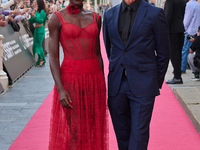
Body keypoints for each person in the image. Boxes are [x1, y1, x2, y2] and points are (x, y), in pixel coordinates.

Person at [103, 0, 170, 149]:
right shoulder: (109, 14)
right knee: (122, 135)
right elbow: (110, 49)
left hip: (144, 84)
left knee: (139, 135)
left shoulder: (155, 13)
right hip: (117, 84)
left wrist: (153, 81)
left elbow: (164, 53)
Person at [48, 0, 108, 149]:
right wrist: (60, 89)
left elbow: (98, 53)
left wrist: (102, 82)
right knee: (76, 130)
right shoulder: (56, 18)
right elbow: (53, 57)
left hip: (95, 79)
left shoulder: (95, 17)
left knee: (92, 128)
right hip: (71, 80)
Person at [164, 0, 186, 84]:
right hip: (180, 28)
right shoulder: (182, 1)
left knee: (174, 54)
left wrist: (164, 29)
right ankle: (178, 75)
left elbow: (168, 16)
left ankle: (177, 77)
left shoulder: (170, 1)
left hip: (172, 30)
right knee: (178, 53)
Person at [181, 0, 200, 73]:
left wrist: (184, 29)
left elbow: (187, 19)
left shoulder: (189, 4)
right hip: (196, 30)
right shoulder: (198, 5)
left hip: (190, 30)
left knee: (185, 50)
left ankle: (182, 68)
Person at [30, 0, 47, 67]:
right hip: (36, 30)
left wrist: (35, 15)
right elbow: (32, 20)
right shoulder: (37, 12)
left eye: (37, 3)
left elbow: (41, 20)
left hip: (40, 30)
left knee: (39, 45)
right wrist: (33, 14)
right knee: (35, 45)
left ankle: (42, 59)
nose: (36, 5)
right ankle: (40, 59)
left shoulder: (42, 12)